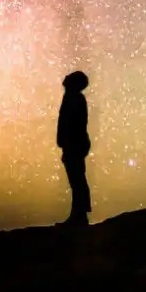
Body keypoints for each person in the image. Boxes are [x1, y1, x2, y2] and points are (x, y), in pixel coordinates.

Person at [57, 70, 92, 226]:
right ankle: (78, 215)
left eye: (70, 77)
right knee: (77, 179)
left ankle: (79, 216)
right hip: (74, 144)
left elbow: (73, 125)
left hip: (75, 144)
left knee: (77, 180)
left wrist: (68, 145)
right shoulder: (73, 98)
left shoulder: (74, 98)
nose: (65, 77)